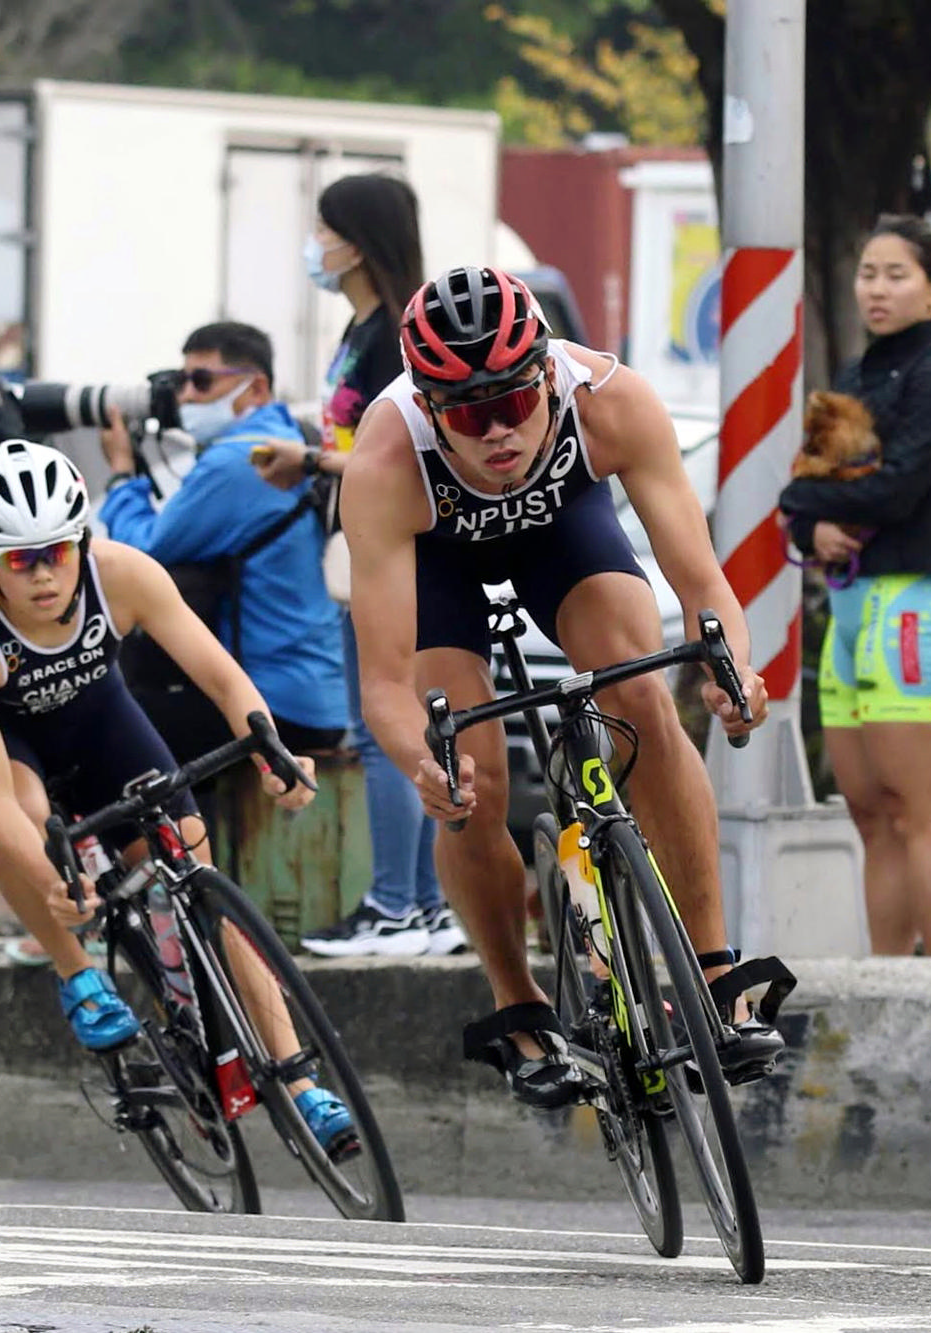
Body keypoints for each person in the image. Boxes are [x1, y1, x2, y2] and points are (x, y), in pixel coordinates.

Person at [340, 264, 780, 1109]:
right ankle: (519, 1001)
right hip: (438, 560)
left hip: (561, 530)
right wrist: (422, 768)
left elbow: (702, 583)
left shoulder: (612, 400)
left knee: (643, 696)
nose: (499, 430)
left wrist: (734, 672)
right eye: (470, 414)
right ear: (432, 409)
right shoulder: (386, 459)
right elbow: (387, 684)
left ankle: (715, 970)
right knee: (469, 771)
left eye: (514, 400)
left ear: (549, 373)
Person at [0, 439, 355, 1151]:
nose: (42, 574)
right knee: (25, 820)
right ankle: (76, 971)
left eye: (57, 552)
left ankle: (303, 1083)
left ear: (81, 542)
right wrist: (51, 879)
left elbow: (221, 677)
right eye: (19, 559)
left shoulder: (122, 573)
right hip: (8, 747)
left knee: (194, 864)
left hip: (98, 722)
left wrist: (270, 751)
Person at [251, 173, 460, 958]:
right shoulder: (363, 329)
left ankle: (397, 904)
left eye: (324, 228)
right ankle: (429, 907)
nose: (316, 244)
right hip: (366, 547)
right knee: (404, 725)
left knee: (384, 728)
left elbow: (400, 457)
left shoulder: (397, 337)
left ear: (359, 239)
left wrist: (307, 457)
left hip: (388, 554)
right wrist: (313, 455)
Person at [779, 215, 931, 960]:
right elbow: (802, 487)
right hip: (850, 607)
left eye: (896, 275)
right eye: (868, 273)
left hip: (910, 608)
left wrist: (810, 509)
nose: (877, 288)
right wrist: (810, 530)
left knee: (921, 811)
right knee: (869, 812)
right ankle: (890, 975)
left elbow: (895, 490)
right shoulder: (860, 375)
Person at [96, 321, 346, 761]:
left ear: (256, 388)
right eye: (181, 381)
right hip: (319, 694)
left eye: (202, 381)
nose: (186, 396)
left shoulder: (237, 463)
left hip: (271, 702)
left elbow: (143, 550)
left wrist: (120, 474)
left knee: (102, 729)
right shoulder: (292, 435)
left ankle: (173, 832)